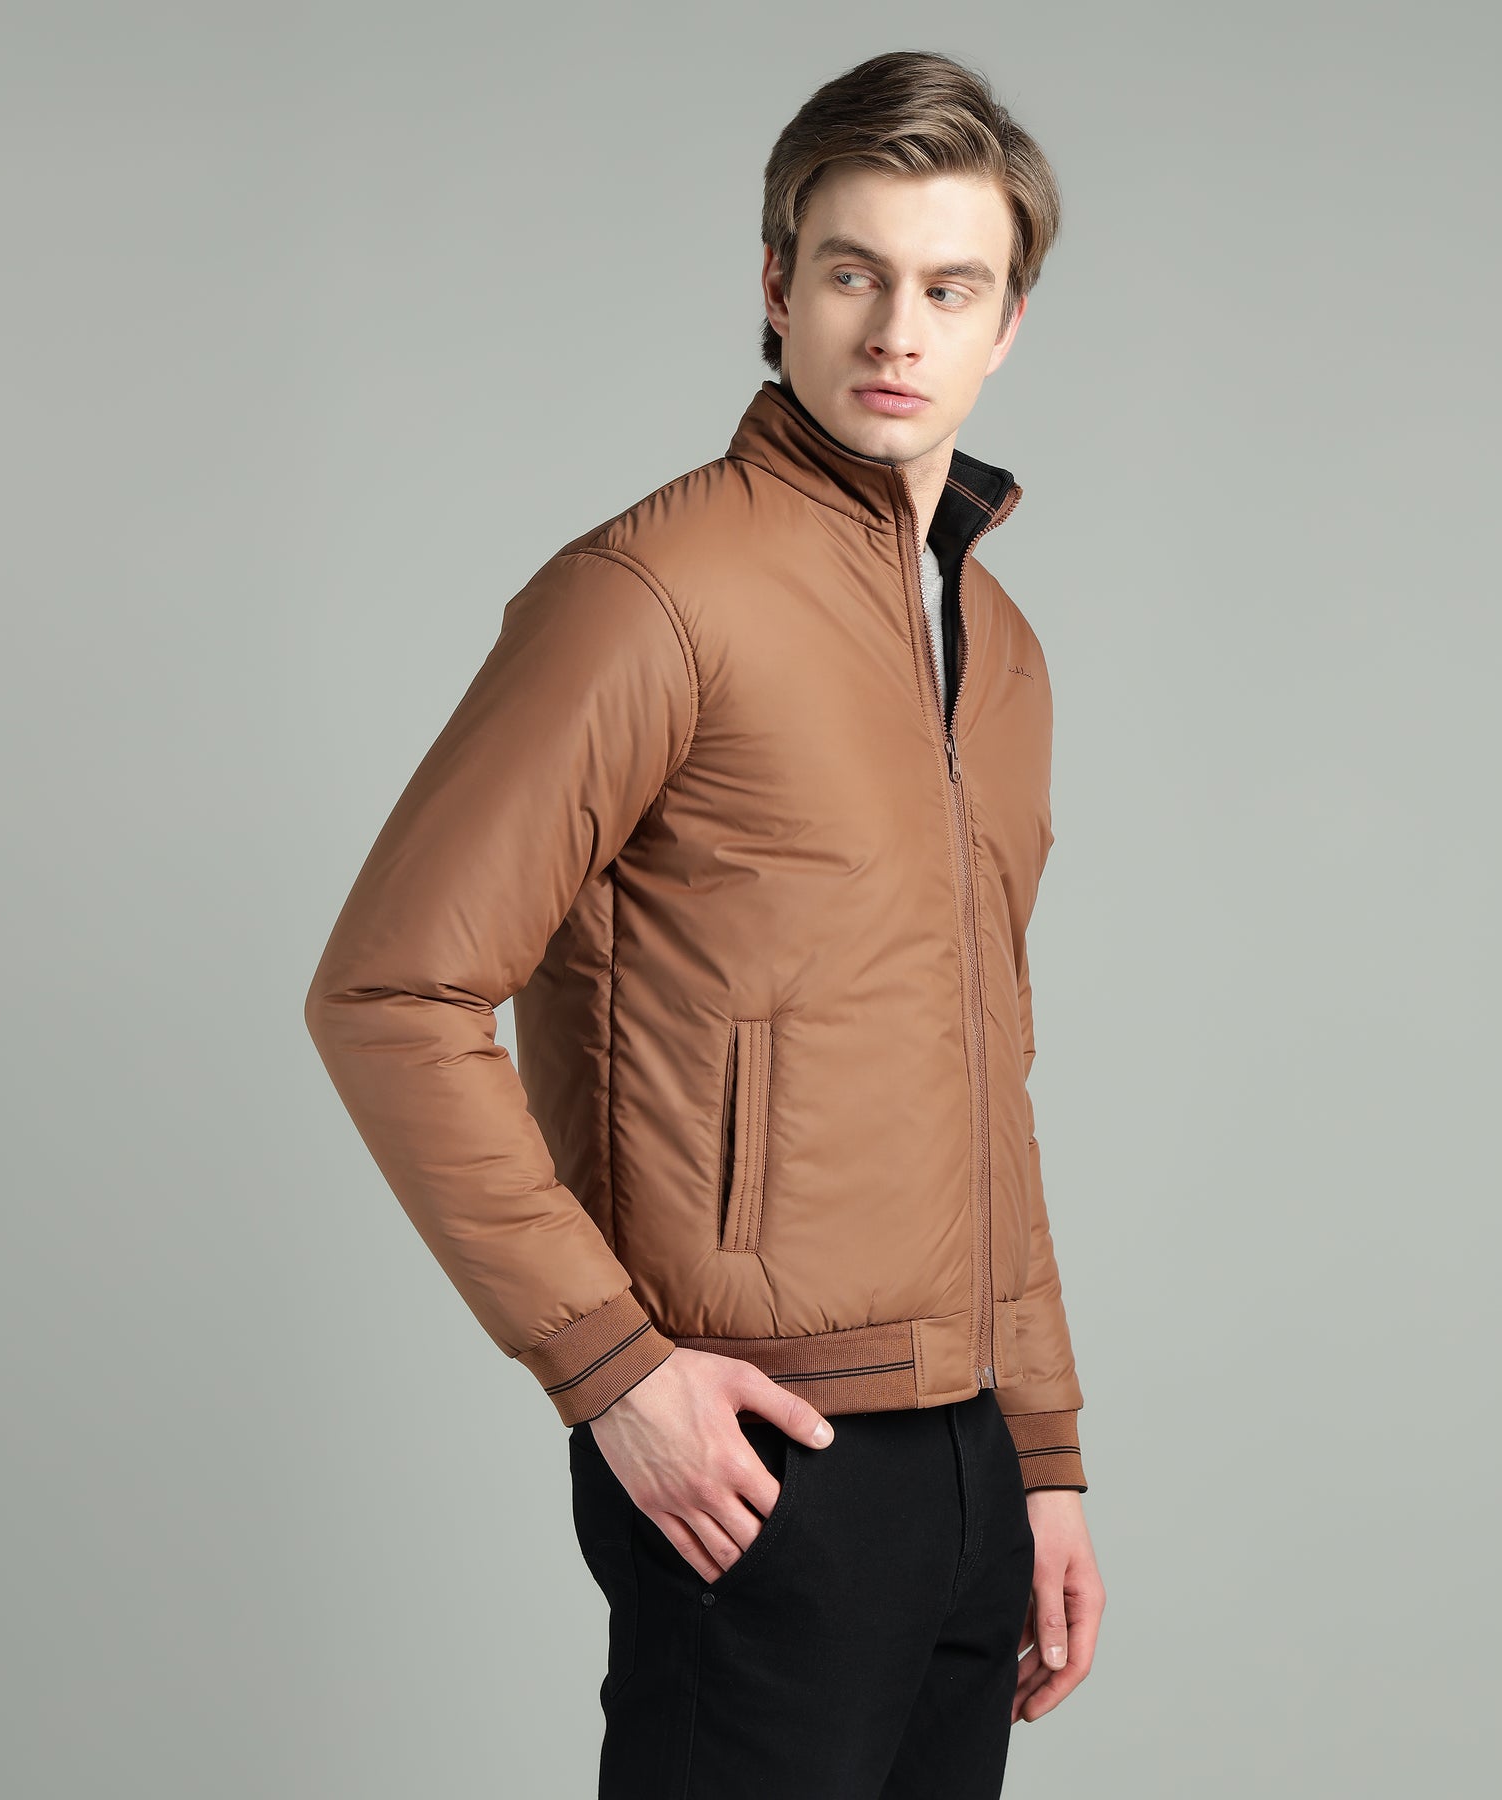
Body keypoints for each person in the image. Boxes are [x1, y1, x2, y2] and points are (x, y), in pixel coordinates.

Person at [303, 47, 1105, 1798]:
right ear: (777, 284)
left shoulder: (1004, 652)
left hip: (968, 1467)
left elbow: (993, 1073)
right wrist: (612, 1370)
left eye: (949, 287)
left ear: (1007, 324)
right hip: (757, 1451)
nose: (897, 329)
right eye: (854, 272)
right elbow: (390, 991)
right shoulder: (650, 597)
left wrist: (1041, 1455)